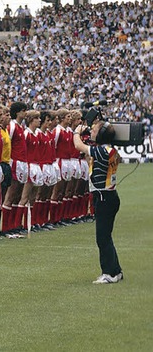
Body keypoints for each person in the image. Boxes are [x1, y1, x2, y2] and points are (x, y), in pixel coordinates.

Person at [73, 121, 123, 284]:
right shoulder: (110, 150)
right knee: (106, 236)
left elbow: (78, 145)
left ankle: (109, 273)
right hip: (110, 195)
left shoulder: (101, 150)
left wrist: (76, 132)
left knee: (102, 238)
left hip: (103, 196)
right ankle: (116, 270)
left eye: (94, 130)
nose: (92, 132)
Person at [1, 102, 28, 237]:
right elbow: (7, 144)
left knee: (17, 196)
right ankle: (6, 227)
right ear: (17, 112)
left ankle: (15, 225)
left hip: (22, 163)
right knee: (10, 196)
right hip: (15, 163)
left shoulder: (20, 127)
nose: (25, 113)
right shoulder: (11, 126)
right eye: (23, 110)